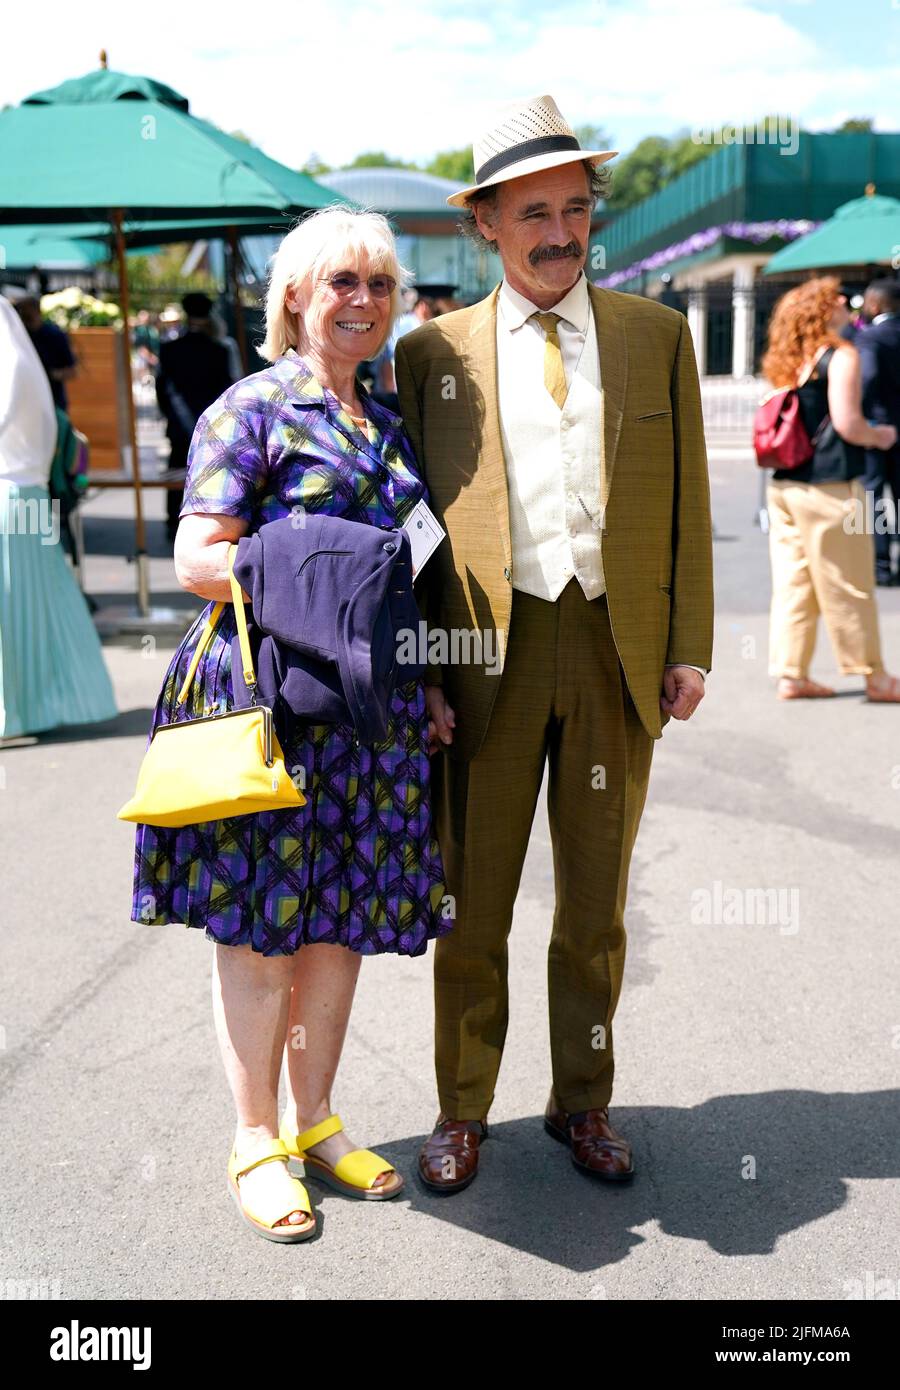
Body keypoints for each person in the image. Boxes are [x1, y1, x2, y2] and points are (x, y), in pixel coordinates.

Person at [395, 94, 713, 1192]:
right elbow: (412, 529)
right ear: (485, 222)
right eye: (533, 212)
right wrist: (421, 668)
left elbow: (686, 507)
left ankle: (583, 1101)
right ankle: (461, 1105)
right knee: (470, 901)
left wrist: (691, 645)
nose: (560, 232)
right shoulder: (430, 352)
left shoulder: (655, 335)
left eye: (575, 208)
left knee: (595, 907)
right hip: (489, 649)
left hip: (617, 645)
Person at [130, 207, 451, 1242]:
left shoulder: (392, 424)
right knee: (263, 932)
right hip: (272, 703)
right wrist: (323, 584)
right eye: (343, 282)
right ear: (296, 297)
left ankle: (316, 1121)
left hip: (376, 712)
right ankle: (255, 1136)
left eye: (380, 285)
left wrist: (428, 677)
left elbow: (415, 571)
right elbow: (196, 555)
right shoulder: (249, 410)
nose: (363, 301)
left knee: (340, 924)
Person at [761, 276, 900, 701]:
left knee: (793, 585)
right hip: (833, 487)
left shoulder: (787, 359)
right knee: (850, 582)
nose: (846, 301)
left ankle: (791, 674)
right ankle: (874, 676)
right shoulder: (841, 355)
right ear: (824, 309)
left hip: (785, 485)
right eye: (837, 297)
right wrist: (881, 437)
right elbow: (847, 423)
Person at [0, 297, 116, 739]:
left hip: (10, 500)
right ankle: (34, 706)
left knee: (14, 612)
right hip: (25, 497)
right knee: (37, 608)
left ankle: (17, 711)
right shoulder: (23, 368)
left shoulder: (11, 372)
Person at [155, 293, 235, 541]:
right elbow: (227, 388)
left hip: (179, 424)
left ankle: (172, 522)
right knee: (211, 473)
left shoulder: (169, 349)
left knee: (176, 472)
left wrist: (169, 414)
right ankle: (209, 521)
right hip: (212, 423)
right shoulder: (219, 350)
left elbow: (161, 388)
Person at [858, 278, 900, 586]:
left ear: (875, 305)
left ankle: (882, 566)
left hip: (877, 427)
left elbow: (868, 377)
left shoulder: (870, 337)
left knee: (873, 497)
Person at [13, 295, 78, 411]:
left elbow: (72, 370)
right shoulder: (19, 336)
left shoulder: (55, 335)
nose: (25, 321)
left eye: (28, 317)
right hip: (27, 400)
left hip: (53, 399)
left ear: (38, 312)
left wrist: (50, 375)